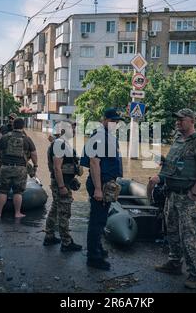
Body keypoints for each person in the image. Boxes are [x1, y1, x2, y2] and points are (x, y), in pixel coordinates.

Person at [149, 108, 196, 289]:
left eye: (181, 120)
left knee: (187, 234)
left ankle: (195, 274)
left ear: (191, 120)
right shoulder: (178, 140)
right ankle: (174, 263)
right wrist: (162, 168)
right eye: (176, 120)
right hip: (172, 193)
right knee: (171, 230)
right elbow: (174, 164)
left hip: (188, 195)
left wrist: (194, 191)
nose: (177, 122)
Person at [81, 108, 124, 271]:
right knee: (97, 221)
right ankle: (93, 257)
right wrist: (98, 189)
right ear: (104, 120)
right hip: (100, 183)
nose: (115, 123)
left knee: (100, 219)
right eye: (112, 120)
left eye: (117, 121)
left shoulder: (107, 136)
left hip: (105, 183)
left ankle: (97, 248)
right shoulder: (100, 136)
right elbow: (94, 162)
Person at [43, 120, 83, 252]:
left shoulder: (63, 144)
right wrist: (61, 187)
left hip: (63, 182)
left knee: (55, 209)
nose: (75, 132)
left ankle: (49, 236)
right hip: (61, 184)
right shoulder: (59, 144)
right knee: (64, 213)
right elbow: (57, 167)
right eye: (72, 129)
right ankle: (66, 242)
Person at [0, 118, 38, 218]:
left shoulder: (5, 137)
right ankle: (17, 213)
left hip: (5, 167)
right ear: (23, 126)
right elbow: (34, 154)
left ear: (13, 126)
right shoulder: (27, 139)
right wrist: (35, 165)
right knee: (18, 192)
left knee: (3, 191)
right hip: (20, 169)